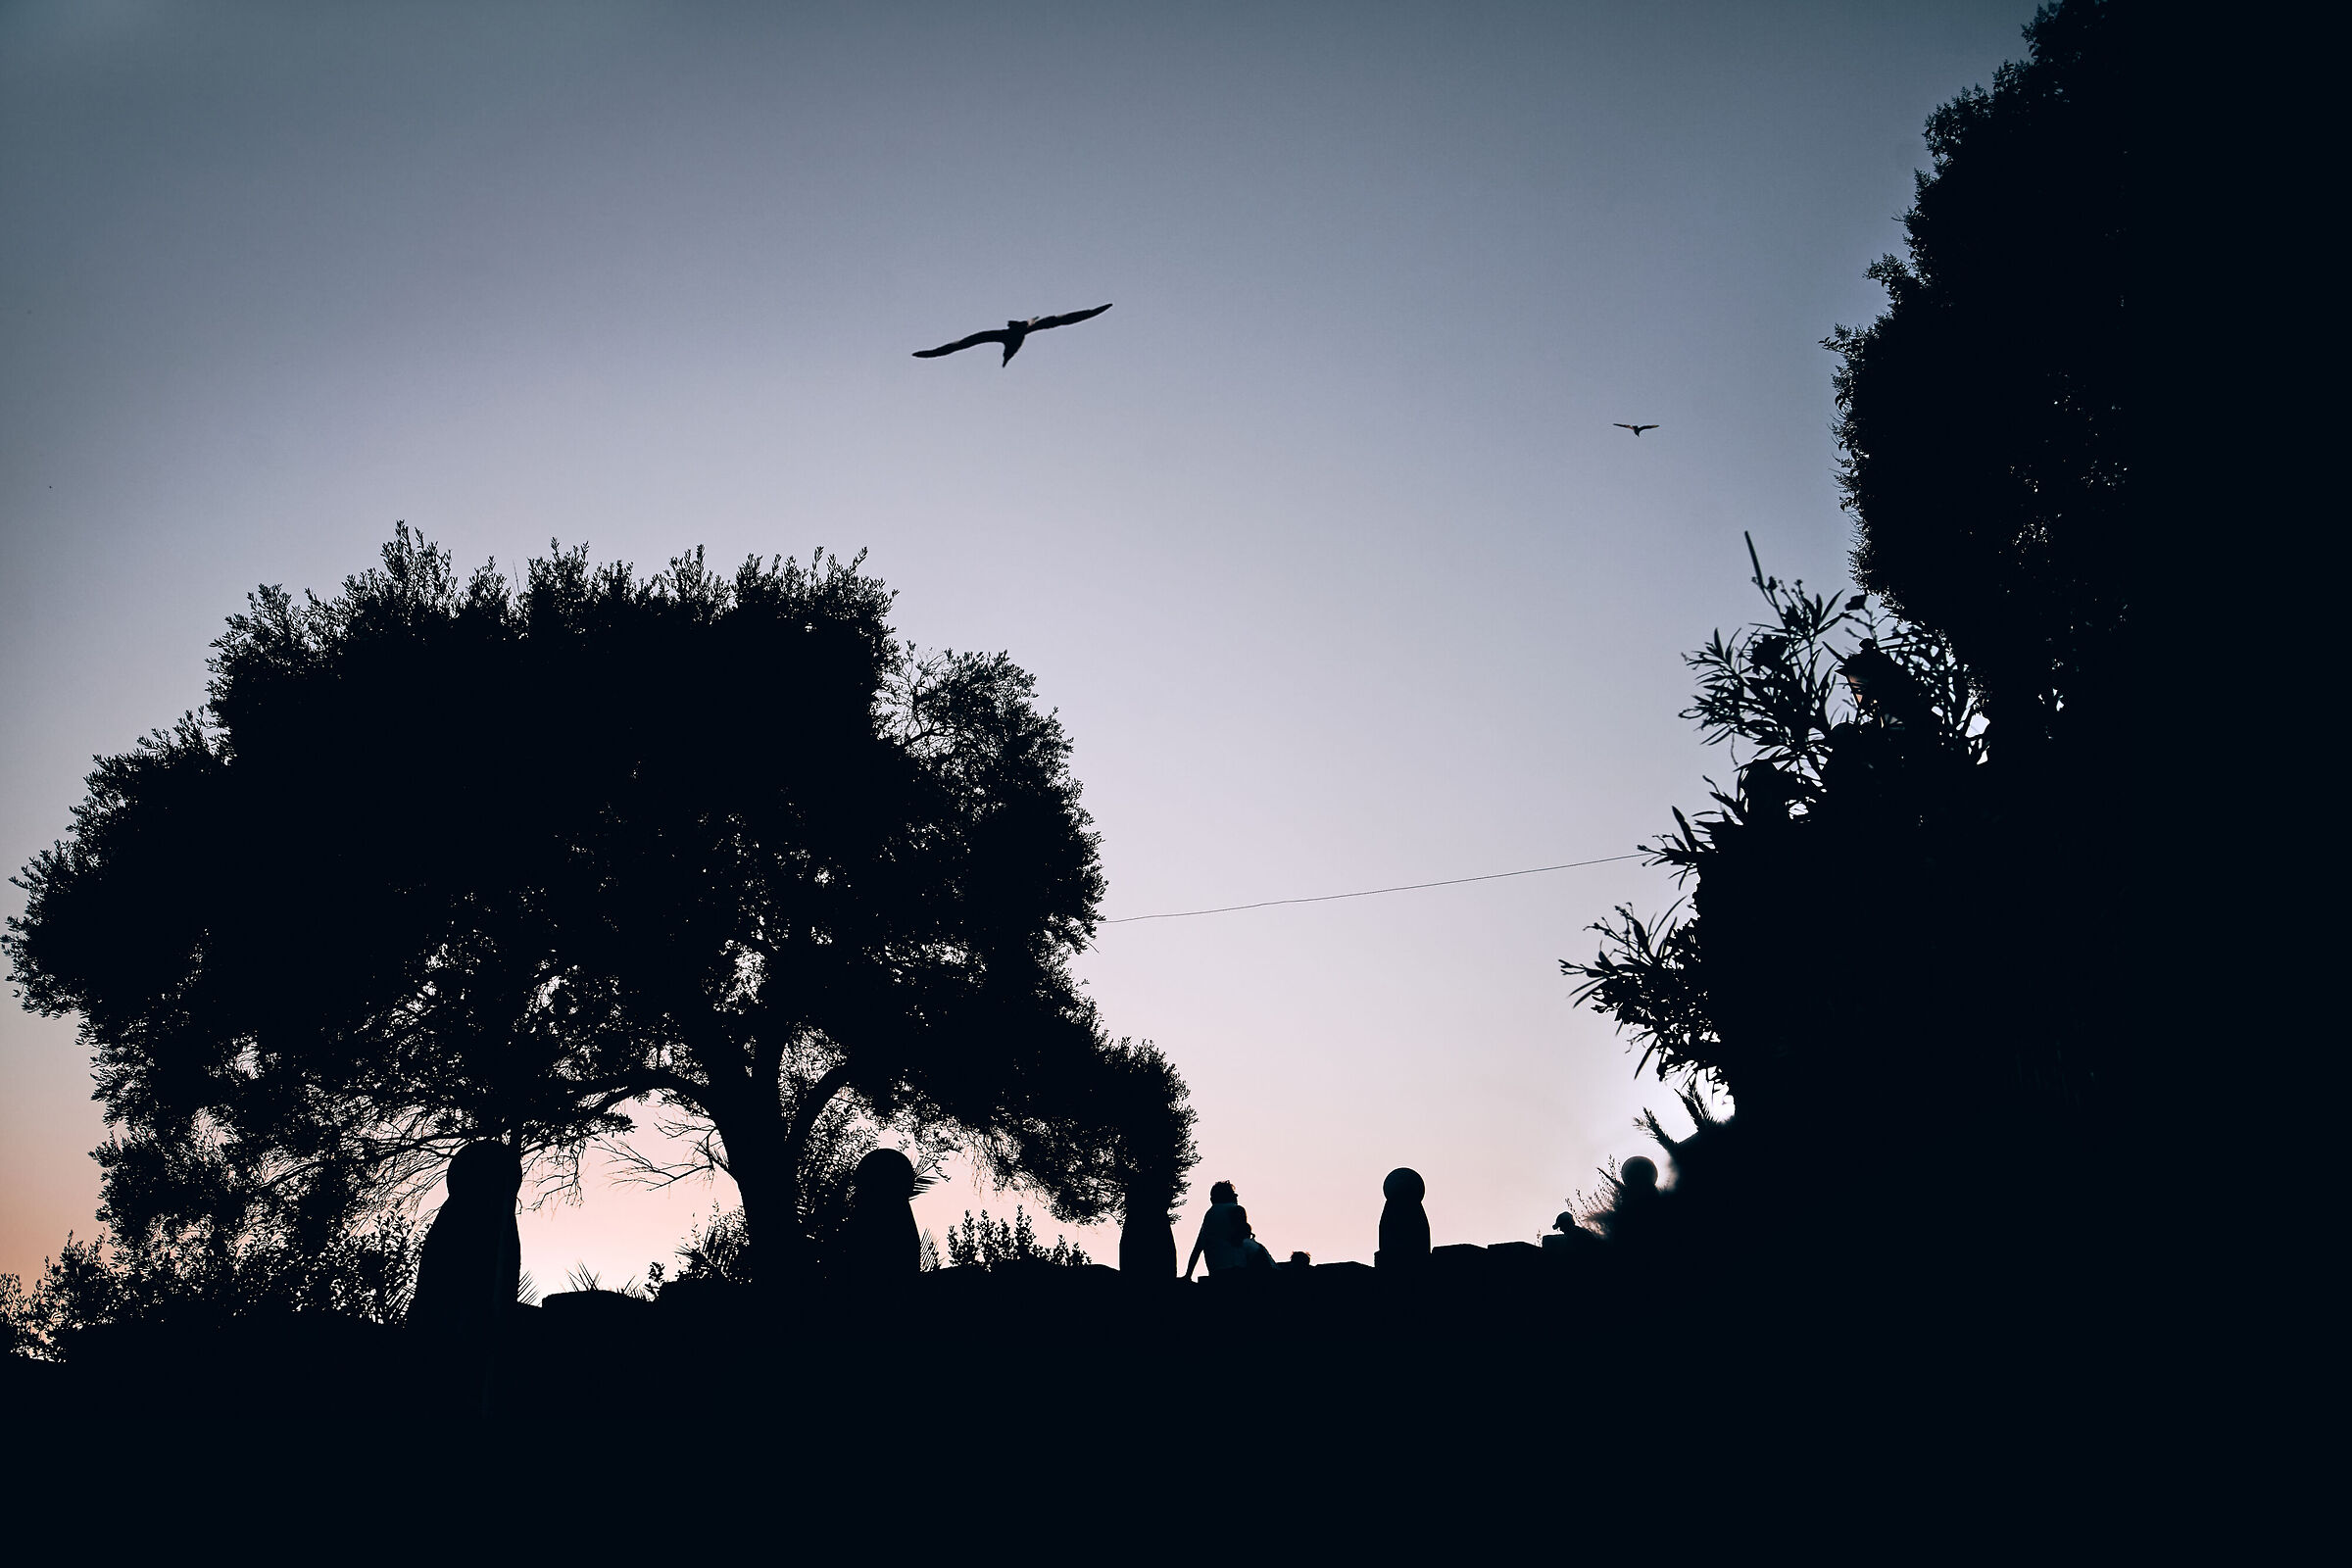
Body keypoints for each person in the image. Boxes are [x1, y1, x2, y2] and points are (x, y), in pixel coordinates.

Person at [1184, 1181, 1278, 1278]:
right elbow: (1240, 1238)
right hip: (1236, 1268)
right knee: (1255, 1247)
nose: (1236, 1197)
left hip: (1216, 1271)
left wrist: (1188, 1275)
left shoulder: (1209, 1215)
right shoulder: (1236, 1209)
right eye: (1234, 1194)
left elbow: (1197, 1248)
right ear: (1228, 1196)